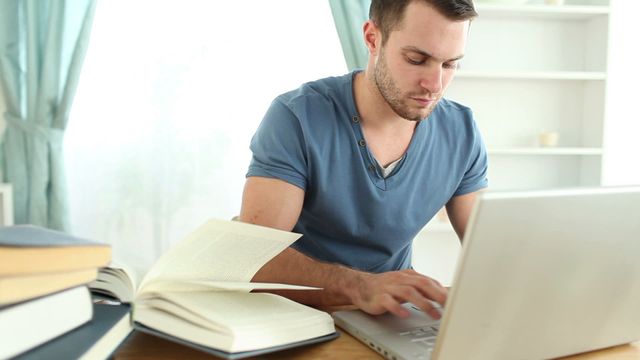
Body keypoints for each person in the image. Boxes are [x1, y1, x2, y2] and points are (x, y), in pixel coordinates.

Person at [239, 0, 486, 319]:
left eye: (450, 64)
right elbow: (252, 258)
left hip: (393, 318)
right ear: (372, 38)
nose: (434, 85)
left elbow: (489, 252)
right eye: (416, 59)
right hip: (295, 318)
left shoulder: (461, 132)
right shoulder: (297, 117)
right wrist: (358, 285)